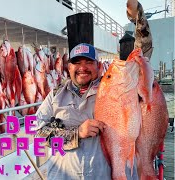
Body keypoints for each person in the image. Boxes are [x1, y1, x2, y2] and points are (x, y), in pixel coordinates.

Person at [34, 0, 152, 179]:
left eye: (89, 62)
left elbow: (141, 54)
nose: (83, 67)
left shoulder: (115, 87)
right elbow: (39, 133)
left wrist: (137, 15)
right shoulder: (55, 95)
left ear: (98, 65)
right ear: (69, 66)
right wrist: (76, 133)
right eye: (77, 62)